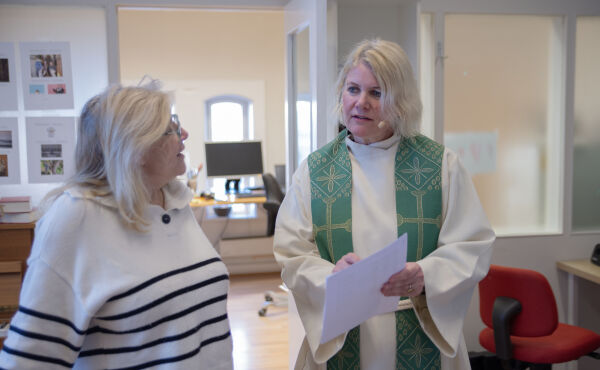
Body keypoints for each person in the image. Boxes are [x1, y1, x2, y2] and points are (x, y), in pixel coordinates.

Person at [273, 39, 495, 369]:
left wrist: (424, 275)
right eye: (352, 89)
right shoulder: (314, 171)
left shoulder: (440, 166)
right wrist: (331, 276)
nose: (360, 102)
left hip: (418, 328)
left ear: (401, 102)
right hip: (342, 336)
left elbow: (472, 246)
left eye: (376, 93)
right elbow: (292, 254)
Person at [0, 81, 234, 369]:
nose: (183, 134)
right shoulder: (77, 216)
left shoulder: (175, 201)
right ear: (135, 145)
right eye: (171, 127)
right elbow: (29, 360)